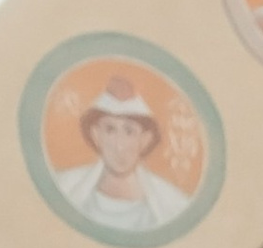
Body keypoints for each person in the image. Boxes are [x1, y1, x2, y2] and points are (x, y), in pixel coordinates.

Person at [49, 76, 193, 232]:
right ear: (96, 135)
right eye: (110, 130)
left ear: (145, 139)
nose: (119, 145)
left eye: (129, 131)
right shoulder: (65, 186)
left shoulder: (172, 204)